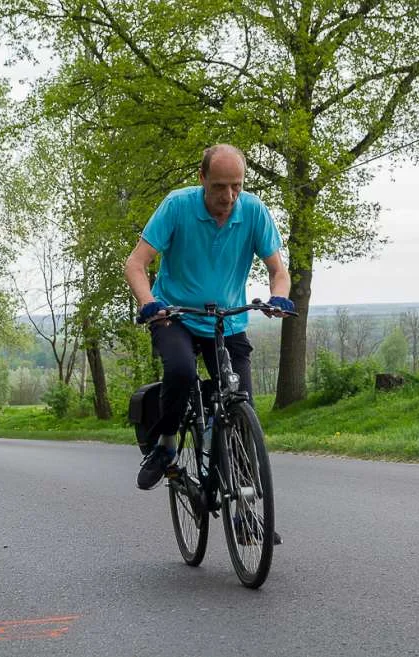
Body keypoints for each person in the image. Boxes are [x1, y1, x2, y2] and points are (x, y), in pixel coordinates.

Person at [124, 143, 294, 495]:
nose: (229, 195)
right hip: (176, 316)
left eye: (237, 185)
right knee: (182, 372)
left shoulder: (253, 212)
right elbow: (135, 264)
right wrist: (150, 303)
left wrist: (279, 297)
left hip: (227, 322)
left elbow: (278, 270)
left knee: (241, 406)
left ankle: (248, 510)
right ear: (202, 178)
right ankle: (167, 444)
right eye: (219, 186)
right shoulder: (177, 206)